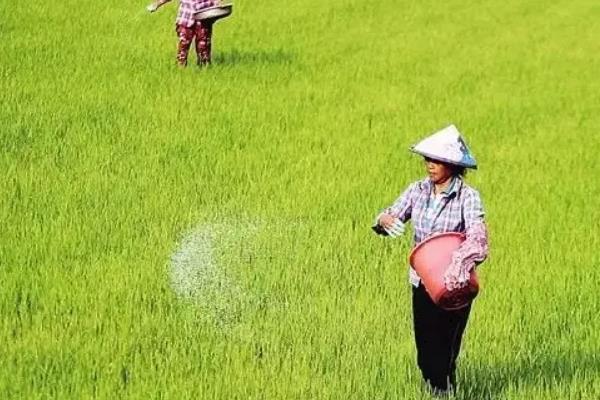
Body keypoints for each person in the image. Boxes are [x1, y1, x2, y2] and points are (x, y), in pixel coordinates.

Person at [374, 124, 489, 396]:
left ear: (452, 164)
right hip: (422, 281)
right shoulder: (418, 191)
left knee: (447, 347)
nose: (430, 165)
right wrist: (385, 220)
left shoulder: (467, 198)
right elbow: (390, 214)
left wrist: (462, 260)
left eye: (437, 160)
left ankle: (444, 390)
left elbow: (478, 236)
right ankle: (435, 387)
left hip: (455, 282)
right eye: (428, 159)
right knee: (426, 348)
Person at [147, 0, 220, 66]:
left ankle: (204, 69)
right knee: (184, 45)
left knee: (203, 47)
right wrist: (157, 4)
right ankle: (181, 68)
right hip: (186, 19)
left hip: (204, 19)